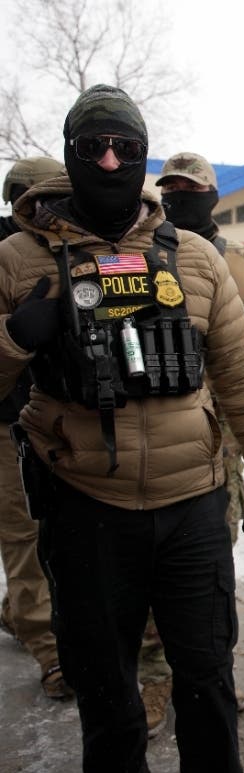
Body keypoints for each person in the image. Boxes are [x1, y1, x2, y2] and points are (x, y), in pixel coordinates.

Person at [0, 84, 244, 773]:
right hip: (84, 502)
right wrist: (13, 341)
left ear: (141, 156)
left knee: (206, 680)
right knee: (105, 686)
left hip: (191, 504)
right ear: (71, 155)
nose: (108, 160)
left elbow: (242, 370)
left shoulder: (191, 255)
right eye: (91, 146)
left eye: (125, 148)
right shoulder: (17, 260)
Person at [129, 151, 244, 734]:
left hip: (225, 443)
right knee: (148, 567)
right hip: (156, 438)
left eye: (191, 189)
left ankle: (211, 670)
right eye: (171, 189)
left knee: (209, 568)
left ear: (213, 196)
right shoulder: (135, 257)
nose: (180, 198)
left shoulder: (243, 265)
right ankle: (155, 679)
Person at [0, 155, 71, 699]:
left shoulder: (75, 246)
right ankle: (51, 655)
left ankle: (22, 612)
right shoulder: (7, 258)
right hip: (8, 424)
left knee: (65, 535)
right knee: (24, 537)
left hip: (62, 422)